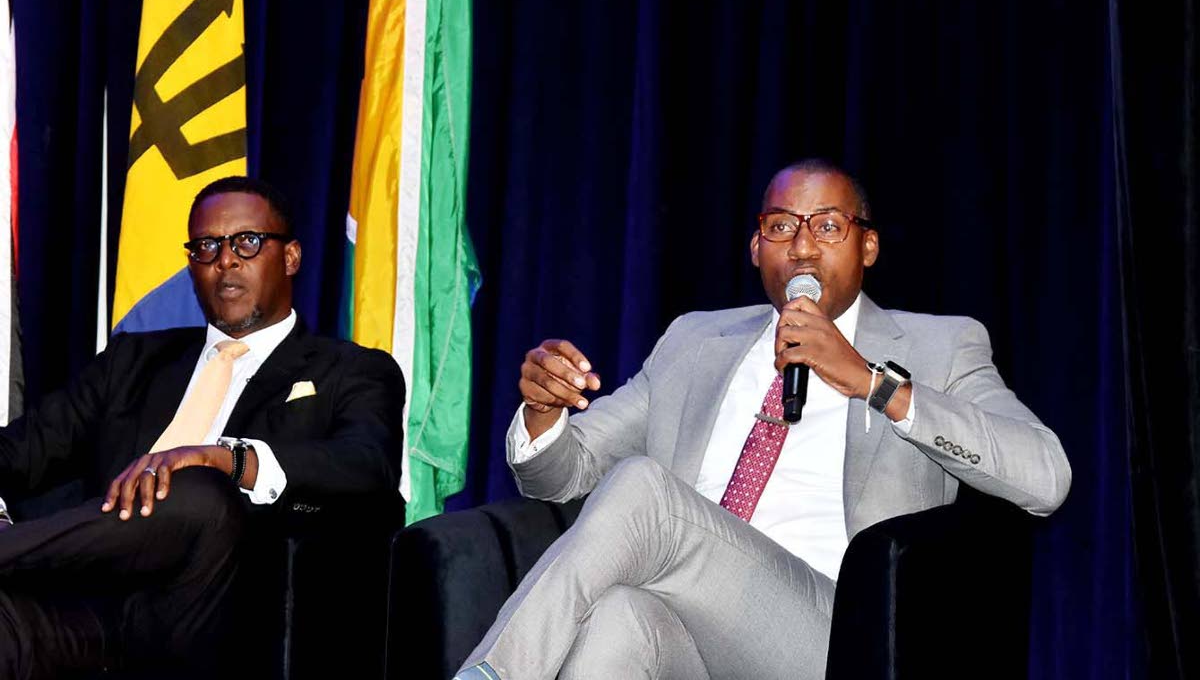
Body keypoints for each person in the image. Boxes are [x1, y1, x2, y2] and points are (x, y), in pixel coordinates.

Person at [456, 159, 1071, 680]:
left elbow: (1045, 479)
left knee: (645, 489)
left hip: (829, 635)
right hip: (689, 630)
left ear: (868, 245)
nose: (803, 245)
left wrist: (872, 383)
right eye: (781, 226)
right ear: (756, 248)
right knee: (617, 617)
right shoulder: (694, 341)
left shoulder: (941, 346)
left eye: (828, 226)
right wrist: (542, 414)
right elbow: (566, 474)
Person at [0, 176, 405, 679]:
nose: (225, 261)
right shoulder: (134, 360)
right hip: (83, 612)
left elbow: (367, 465)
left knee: (199, 489)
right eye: (207, 246)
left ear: (291, 257)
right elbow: (19, 451)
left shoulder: (350, 370)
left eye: (247, 243)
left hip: (212, 610)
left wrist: (224, 458)